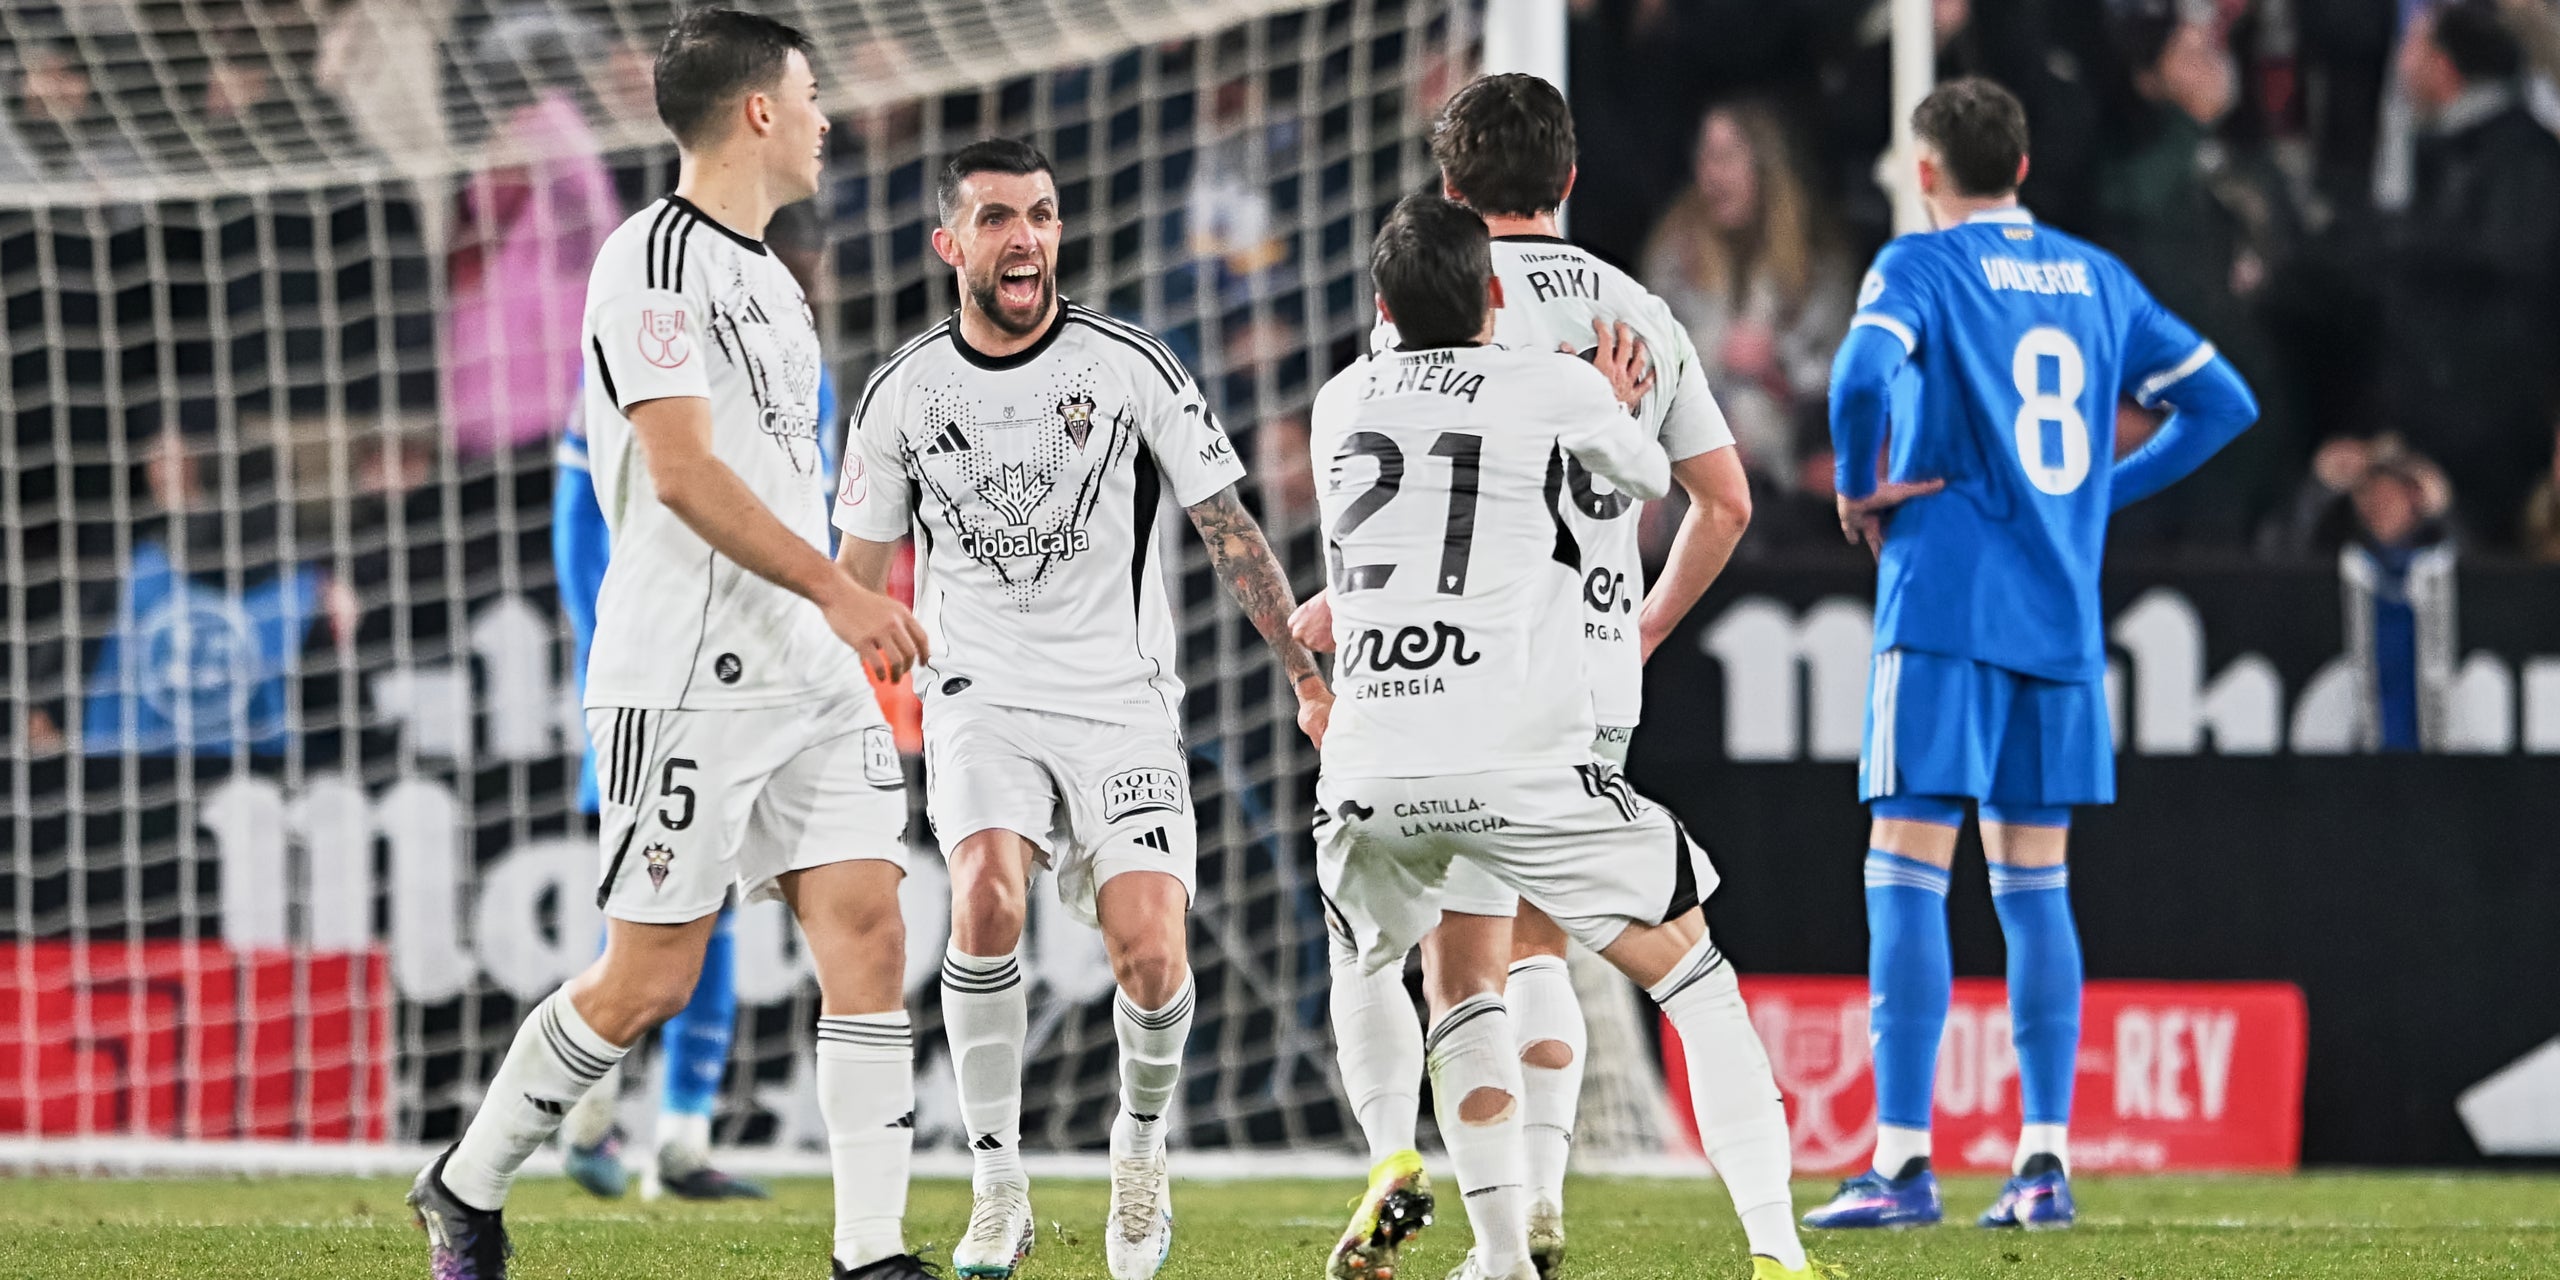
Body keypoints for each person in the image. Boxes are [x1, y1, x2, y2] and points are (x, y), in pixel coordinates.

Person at [406, 12, 935, 1280]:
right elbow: (684, 474)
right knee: (645, 979)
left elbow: (792, 486)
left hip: (806, 670)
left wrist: (854, 597)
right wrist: (841, 594)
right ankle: (464, 1183)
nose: (824, 117)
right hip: (689, 673)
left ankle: (870, 1251)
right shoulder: (648, 261)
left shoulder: (777, 282)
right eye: (808, 95)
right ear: (758, 111)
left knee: (867, 924)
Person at [831, 138, 1328, 1280]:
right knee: (986, 894)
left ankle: (1139, 1151)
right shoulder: (904, 391)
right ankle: (997, 1179)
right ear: (950, 245)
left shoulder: (1130, 366)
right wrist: (831, 683)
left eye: (1043, 216)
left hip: (1119, 697)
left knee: (1152, 953)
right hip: (979, 692)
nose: (1026, 239)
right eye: (999, 218)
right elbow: (852, 574)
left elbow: (1228, 530)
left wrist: (1305, 676)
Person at [1288, 72, 1757, 1280]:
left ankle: (1506, 1235)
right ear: (1570, 178)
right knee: (1552, 934)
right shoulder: (1635, 309)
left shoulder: (1423, 305)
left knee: (1466, 955)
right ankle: (1537, 1216)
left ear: (1448, 187)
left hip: (1457, 673)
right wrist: (1646, 627)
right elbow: (1723, 500)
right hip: (1594, 664)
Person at [1801, 77, 2257, 1233]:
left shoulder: (1919, 265)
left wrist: (1858, 487)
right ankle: (2042, 1158)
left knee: (1905, 863)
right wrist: (2097, 492)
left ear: (1924, 171)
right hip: (2056, 610)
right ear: (2022, 163)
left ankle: (1901, 1161)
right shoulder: (2096, 278)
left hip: (1944, 593)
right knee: (2033, 881)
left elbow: (1857, 377)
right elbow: (2222, 403)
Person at [545, 207, 845, 1204]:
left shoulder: (816, 381)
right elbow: (579, 521)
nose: (803, 297)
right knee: (653, 912)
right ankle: (577, 1116)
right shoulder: (658, 353)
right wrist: (614, 648)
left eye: (811, 281)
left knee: (719, 904)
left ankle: (679, 1135)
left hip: (760, 677)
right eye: (793, 276)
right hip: (659, 674)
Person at [2380, 0, 2560, 545]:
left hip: (2500, 417)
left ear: (2444, 65)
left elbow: (2515, 263)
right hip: (2447, 408)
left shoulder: (2521, 156)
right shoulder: (2444, 150)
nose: (2403, 63)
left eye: (2415, 46)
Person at [1641, 100, 1854, 488]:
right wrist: (1714, 352)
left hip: (1791, 467)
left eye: (1726, 157)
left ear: (1765, 166)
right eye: (1704, 157)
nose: (1711, 173)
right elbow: (1650, 364)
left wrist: (1777, 363)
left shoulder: (1815, 260)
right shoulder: (1675, 252)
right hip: (1688, 460)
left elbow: (1841, 374)